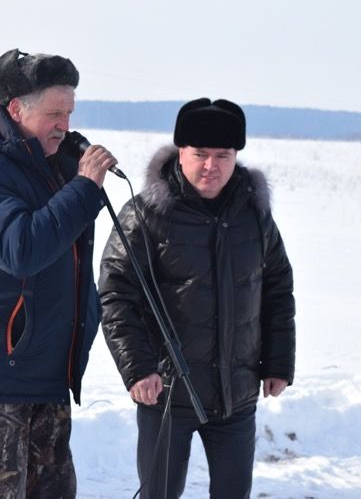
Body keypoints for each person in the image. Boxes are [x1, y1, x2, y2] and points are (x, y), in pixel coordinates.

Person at [98, 98, 296, 498]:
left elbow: (276, 288)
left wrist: (277, 361)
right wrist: (138, 369)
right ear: (180, 153)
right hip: (167, 394)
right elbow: (116, 294)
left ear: (236, 156)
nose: (212, 166)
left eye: (223, 155)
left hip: (236, 394)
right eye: (200, 154)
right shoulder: (146, 214)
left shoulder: (254, 214)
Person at [0, 48, 117, 498]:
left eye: (70, 113)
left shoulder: (53, 164)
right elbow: (20, 248)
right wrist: (83, 188)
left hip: (47, 372)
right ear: (16, 108)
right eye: (54, 113)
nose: (66, 125)